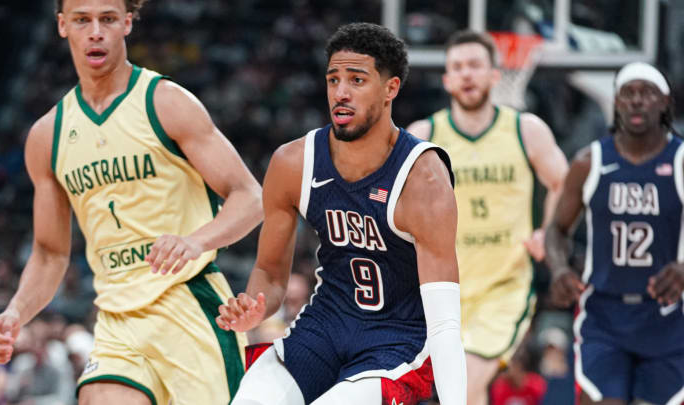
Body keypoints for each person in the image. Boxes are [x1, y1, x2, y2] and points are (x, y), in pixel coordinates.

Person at [0, 0, 263, 404]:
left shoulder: (165, 101)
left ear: (127, 24)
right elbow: (49, 253)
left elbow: (250, 196)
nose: (95, 31)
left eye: (108, 19)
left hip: (189, 306)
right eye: (82, 20)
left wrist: (197, 240)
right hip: (117, 320)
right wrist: (15, 311)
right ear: (63, 26)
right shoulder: (49, 134)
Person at [216, 22, 466, 405]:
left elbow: (445, 321)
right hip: (325, 326)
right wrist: (256, 306)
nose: (341, 93)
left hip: (396, 341)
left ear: (390, 89)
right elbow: (268, 273)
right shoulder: (293, 162)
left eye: (357, 80)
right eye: (333, 80)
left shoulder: (423, 179)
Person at [406, 30, 568, 405]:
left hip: (504, 286)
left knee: (465, 383)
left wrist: (549, 232)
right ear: (446, 79)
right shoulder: (424, 136)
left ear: (496, 75)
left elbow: (562, 182)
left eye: (475, 65)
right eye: (458, 67)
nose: (467, 74)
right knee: (448, 389)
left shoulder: (525, 130)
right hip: (443, 286)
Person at [545, 62, 684, 405]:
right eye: (628, 93)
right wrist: (560, 268)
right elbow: (557, 230)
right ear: (617, 102)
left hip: (666, 316)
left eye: (647, 93)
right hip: (604, 314)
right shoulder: (589, 162)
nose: (637, 101)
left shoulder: (680, 160)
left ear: (665, 102)